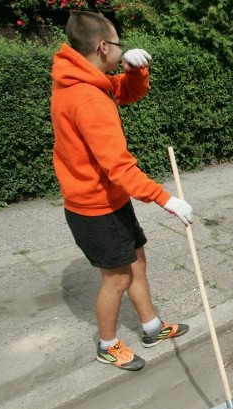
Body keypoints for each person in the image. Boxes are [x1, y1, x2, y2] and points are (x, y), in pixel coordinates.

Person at [51, 12, 194, 371]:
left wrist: (133, 70)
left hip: (110, 200)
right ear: (102, 47)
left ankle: (151, 327)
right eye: (117, 43)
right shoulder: (88, 99)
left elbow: (126, 92)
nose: (121, 47)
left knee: (137, 262)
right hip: (93, 209)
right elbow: (119, 167)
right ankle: (107, 344)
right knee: (117, 278)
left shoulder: (87, 80)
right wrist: (166, 199)